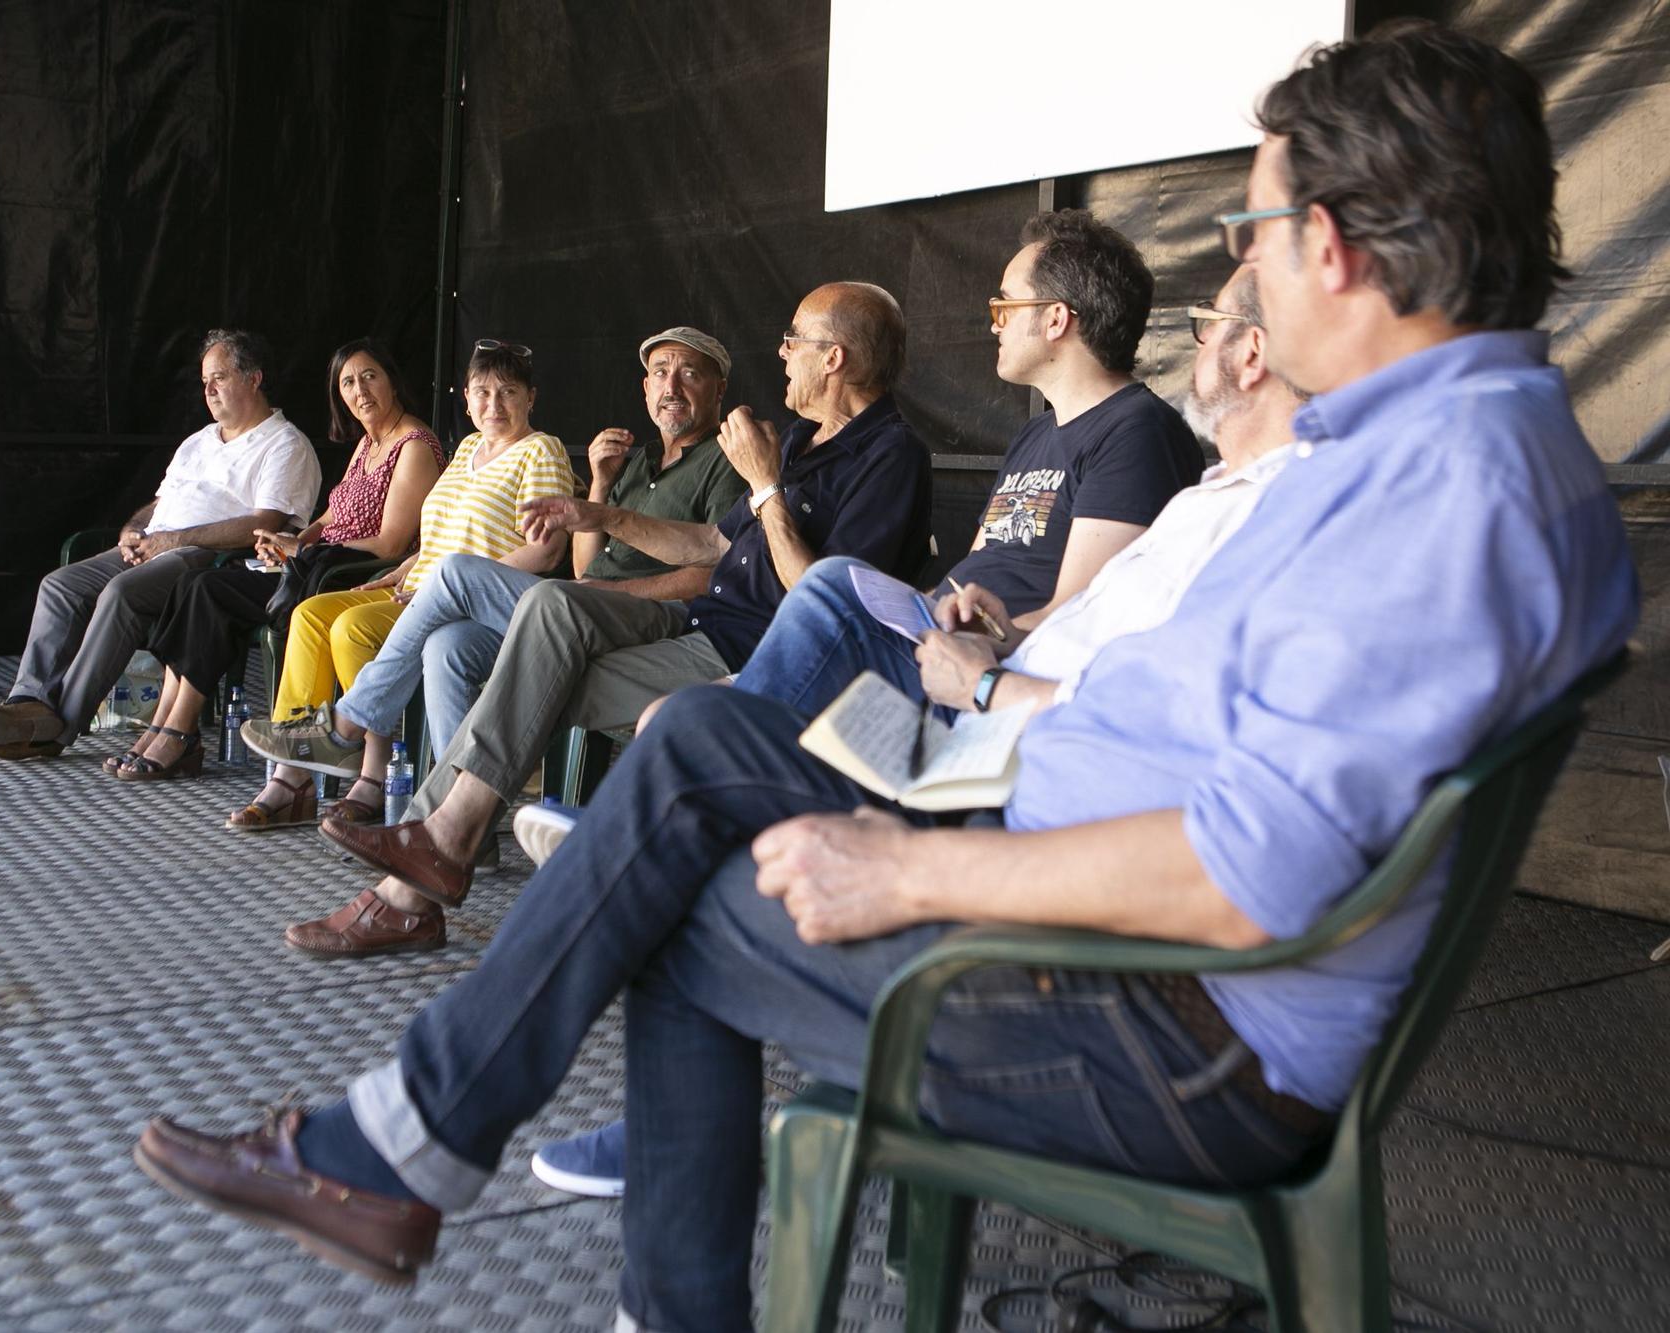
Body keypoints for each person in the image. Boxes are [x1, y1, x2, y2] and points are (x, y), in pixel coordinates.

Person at [132, 23, 1638, 1333]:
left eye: (1252, 228)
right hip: (1083, 895)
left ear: (1342, 245)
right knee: (705, 749)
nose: (1239, 264)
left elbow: (1253, 880)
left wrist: (902, 868)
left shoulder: (1453, 494)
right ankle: (417, 1141)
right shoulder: (1433, 447)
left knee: (675, 901)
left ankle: (438, 1159)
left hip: (1167, 1028)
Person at [529, 262, 1311, 1197]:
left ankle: (630, 859)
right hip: (975, 687)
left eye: (1003, 305)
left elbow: (1092, 650)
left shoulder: (1147, 442)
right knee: (692, 737)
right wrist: (975, 627)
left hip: (998, 740)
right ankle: (644, 842)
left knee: (756, 683)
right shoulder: (1089, 456)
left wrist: (985, 679)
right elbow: (1083, 632)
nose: (989, 325)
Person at [315, 281, 933, 914]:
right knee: (541, 613)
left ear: (833, 358)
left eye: (794, 339)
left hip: (749, 651)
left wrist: (766, 486)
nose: (782, 353)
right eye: (658, 373)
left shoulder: (892, 455)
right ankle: (436, 847)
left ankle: (413, 874)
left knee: (523, 667)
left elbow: (828, 603)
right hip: (696, 621)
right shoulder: (803, 438)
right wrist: (598, 513)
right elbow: (710, 545)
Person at [272, 327, 747, 957]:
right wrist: (601, 483)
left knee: (457, 572)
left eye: (689, 374)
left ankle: (354, 726)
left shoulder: (724, 459)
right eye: (660, 372)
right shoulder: (633, 461)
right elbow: (584, 567)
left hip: (654, 618)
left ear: (719, 388)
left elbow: (713, 570)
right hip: (587, 606)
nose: (671, 386)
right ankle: (469, 835)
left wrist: (615, 595)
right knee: (450, 648)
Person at [727, 208, 1204, 721]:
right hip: (941, 640)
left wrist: (981, 645)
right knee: (826, 597)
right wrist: (916, 610)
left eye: (1004, 307)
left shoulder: (1137, 431)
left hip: (990, 670)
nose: (992, 322)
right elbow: (968, 572)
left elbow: (1077, 616)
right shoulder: (1036, 434)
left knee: (823, 588)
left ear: (1056, 319)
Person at [225, 340, 576, 827]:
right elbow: (440, 533)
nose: (493, 405)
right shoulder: (468, 448)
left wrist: (445, 585)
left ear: (530, 398)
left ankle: (364, 764)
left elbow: (547, 550)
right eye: (482, 392)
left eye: (507, 392)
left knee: (353, 627)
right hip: (424, 587)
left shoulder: (541, 450)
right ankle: (293, 775)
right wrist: (404, 570)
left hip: (475, 601)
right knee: (312, 614)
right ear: (466, 399)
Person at [0, 330, 319, 760]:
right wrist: (133, 529)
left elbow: (264, 524)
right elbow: (160, 503)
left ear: (254, 379)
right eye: (204, 382)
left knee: (121, 594)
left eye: (219, 377)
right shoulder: (198, 441)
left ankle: (55, 728)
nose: (209, 390)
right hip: (154, 544)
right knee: (60, 584)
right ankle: (26, 704)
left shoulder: (284, 443)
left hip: (207, 559)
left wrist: (173, 540)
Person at [103, 339, 444, 781]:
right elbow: (330, 517)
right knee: (194, 585)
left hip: (344, 576)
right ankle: (163, 724)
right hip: (312, 564)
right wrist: (289, 540)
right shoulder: (368, 445)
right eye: (347, 383)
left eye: (369, 377)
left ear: (392, 381)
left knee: (208, 590)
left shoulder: (413, 445)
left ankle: (179, 731)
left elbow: (391, 544)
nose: (360, 391)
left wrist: (304, 551)